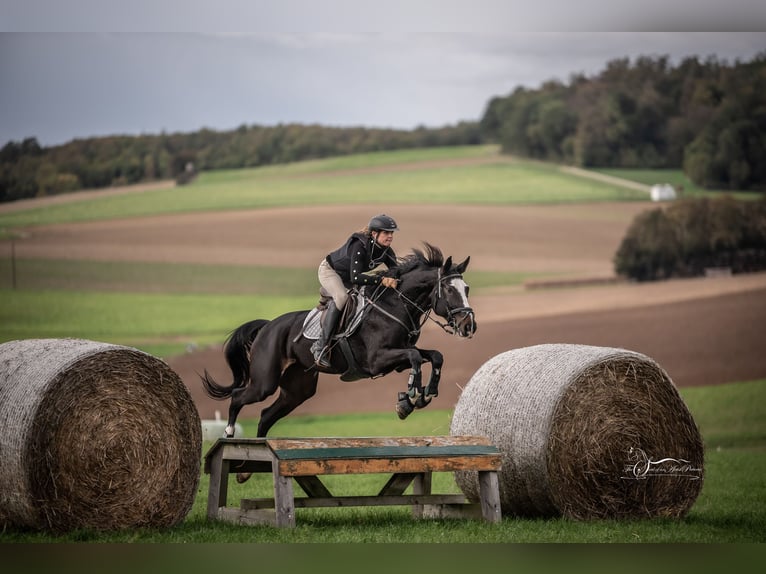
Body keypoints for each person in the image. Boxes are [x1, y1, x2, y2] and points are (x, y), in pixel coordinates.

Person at [311, 214, 400, 367]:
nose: (390, 236)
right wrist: (381, 280)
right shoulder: (359, 246)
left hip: (349, 276)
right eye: (386, 232)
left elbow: (396, 271)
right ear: (374, 233)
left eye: (391, 233)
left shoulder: (386, 251)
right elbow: (356, 278)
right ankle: (321, 346)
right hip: (331, 272)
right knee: (341, 298)